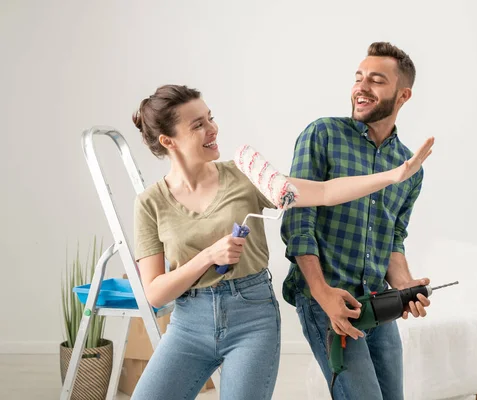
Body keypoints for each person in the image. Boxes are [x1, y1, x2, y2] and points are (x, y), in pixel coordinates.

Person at [129, 84, 434, 400]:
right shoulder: (150, 203)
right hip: (189, 324)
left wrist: (393, 176)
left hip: (251, 319)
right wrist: (208, 256)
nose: (212, 128)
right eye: (198, 125)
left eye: (210, 118)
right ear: (169, 141)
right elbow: (155, 292)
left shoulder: (245, 175)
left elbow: (325, 192)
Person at [280, 42, 431, 399]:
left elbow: (393, 239)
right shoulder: (323, 135)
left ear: (403, 94)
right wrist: (321, 293)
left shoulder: (409, 167)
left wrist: (407, 286)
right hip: (327, 297)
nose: (361, 87)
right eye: (358, 78)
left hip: (378, 303)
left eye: (376, 80)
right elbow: (298, 222)